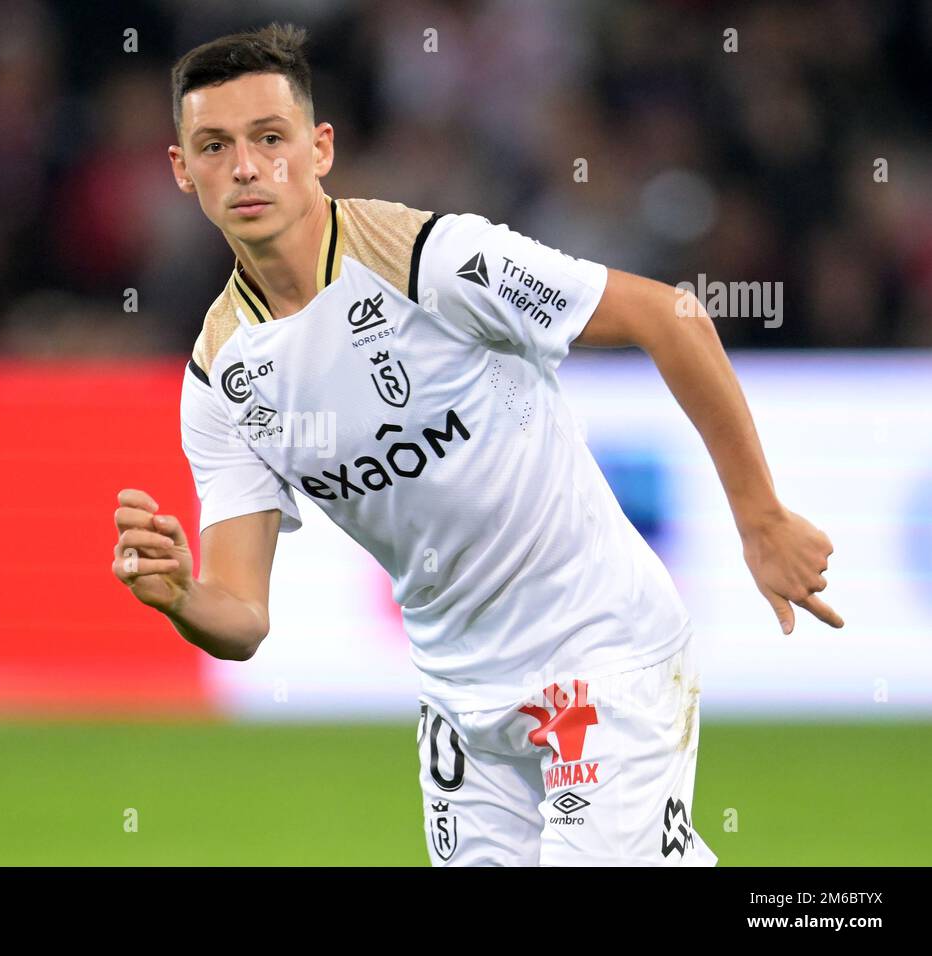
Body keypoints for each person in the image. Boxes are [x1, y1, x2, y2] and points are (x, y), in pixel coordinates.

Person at [111, 23, 842, 866]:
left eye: (270, 139)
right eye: (216, 146)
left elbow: (669, 314)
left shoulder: (432, 260)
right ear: (180, 169)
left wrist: (759, 517)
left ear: (319, 150)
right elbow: (241, 619)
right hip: (461, 706)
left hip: (601, 653)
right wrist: (179, 598)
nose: (245, 167)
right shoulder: (219, 380)